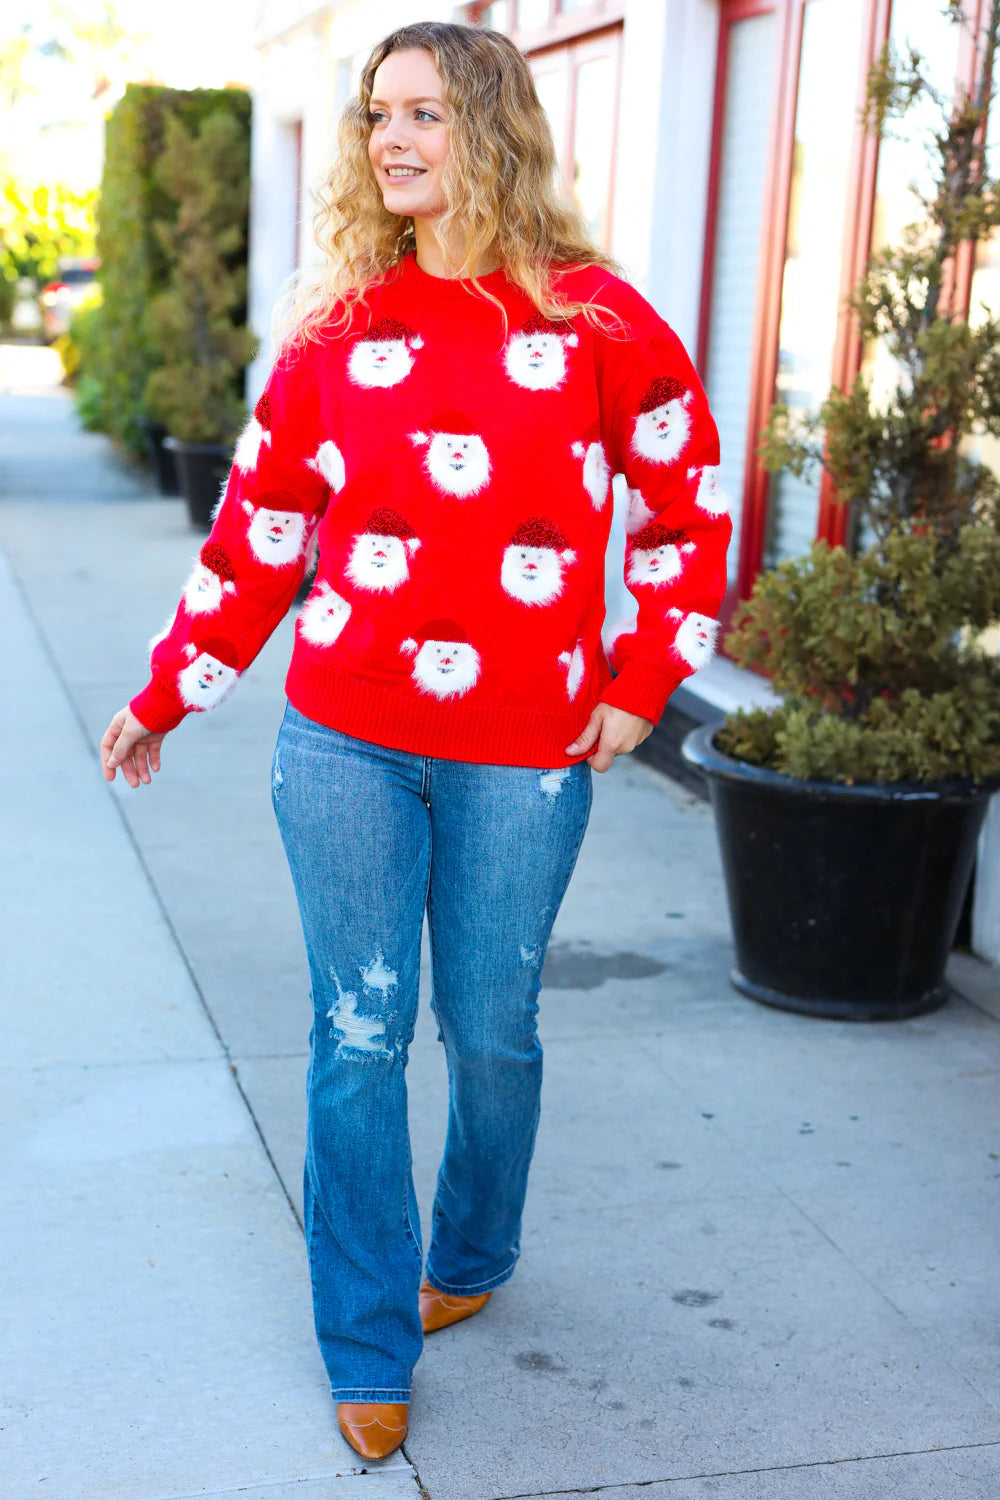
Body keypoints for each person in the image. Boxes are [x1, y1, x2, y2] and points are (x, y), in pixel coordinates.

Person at [99, 20, 731, 1463]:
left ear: (494, 131)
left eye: (426, 113)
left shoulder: (599, 322)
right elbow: (258, 535)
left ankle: (474, 1253)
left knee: (493, 1034)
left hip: (524, 755)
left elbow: (691, 512)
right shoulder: (338, 333)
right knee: (357, 1033)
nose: (391, 138)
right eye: (378, 113)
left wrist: (642, 683)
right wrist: (169, 690)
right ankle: (368, 1334)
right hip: (346, 743)